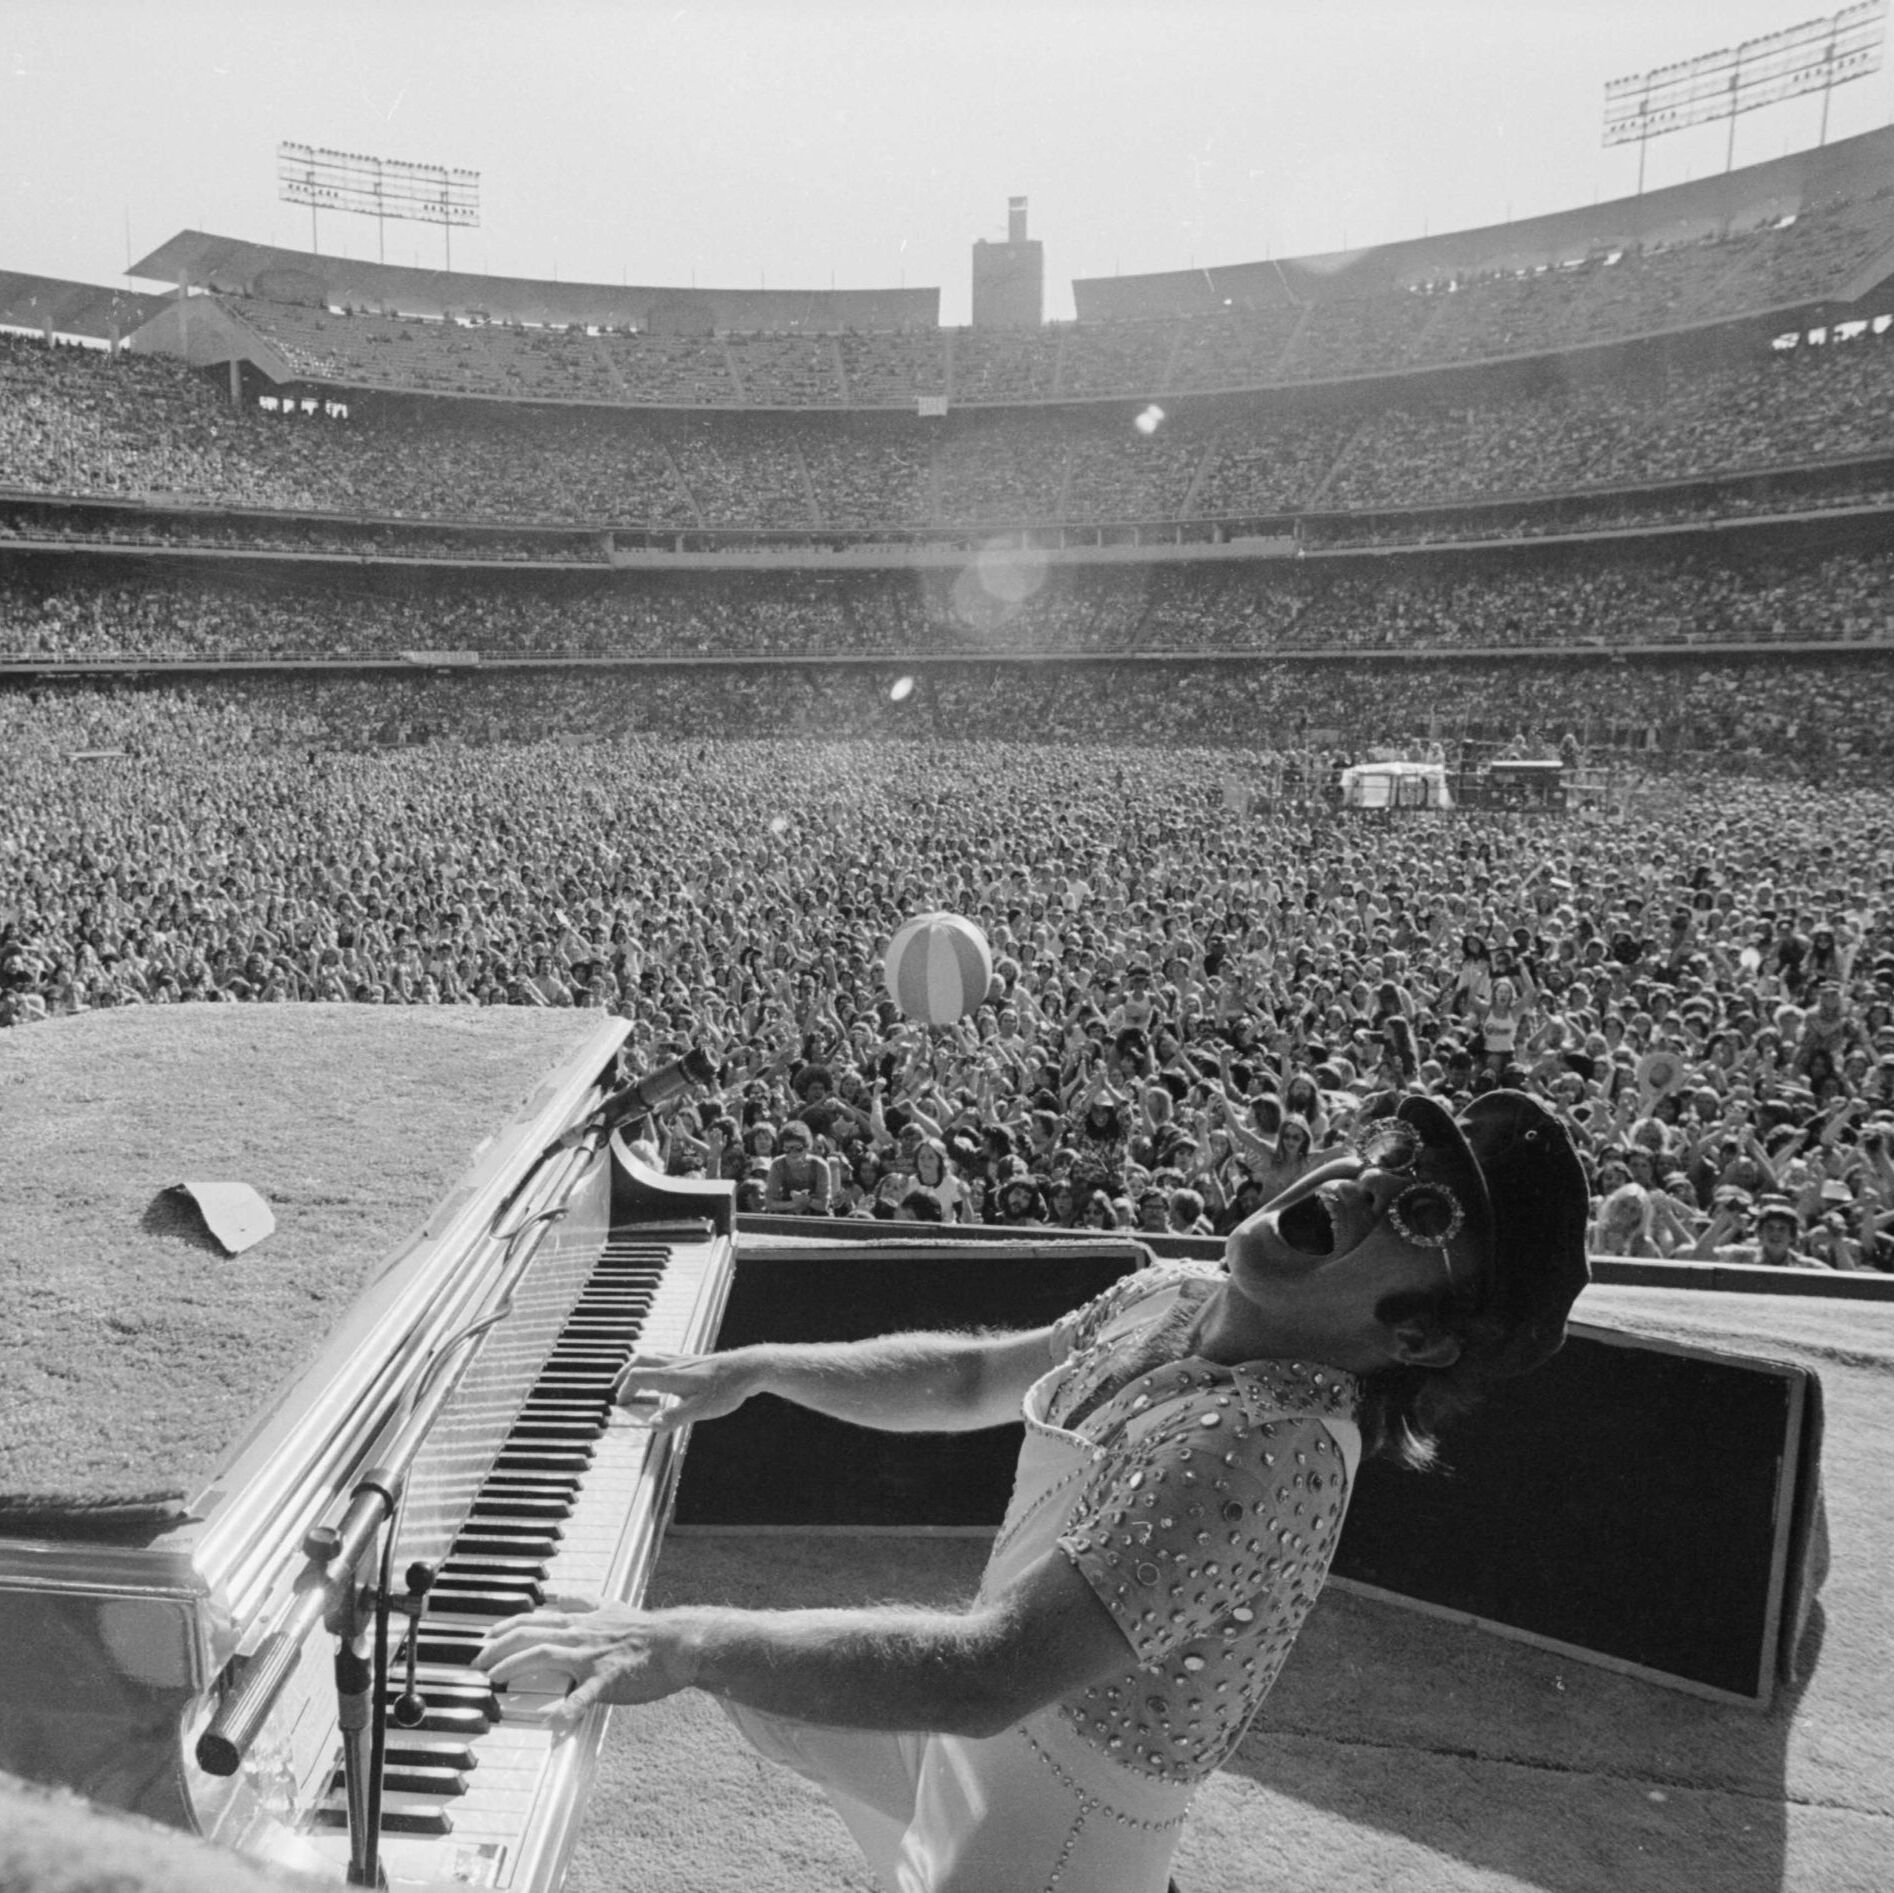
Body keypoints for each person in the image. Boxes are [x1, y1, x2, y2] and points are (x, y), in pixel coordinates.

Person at [478, 1089, 1590, 1893]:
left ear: (1427, 1334)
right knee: (764, 1682)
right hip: (988, 1755)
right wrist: (761, 1369)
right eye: (1384, 1153)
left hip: (1058, 1847)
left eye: (1423, 1215)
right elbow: (966, 1377)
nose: (1364, 1184)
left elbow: (986, 1673)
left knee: (732, 1664)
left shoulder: (1267, 1448)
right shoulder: (1171, 1294)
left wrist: (680, 1637)